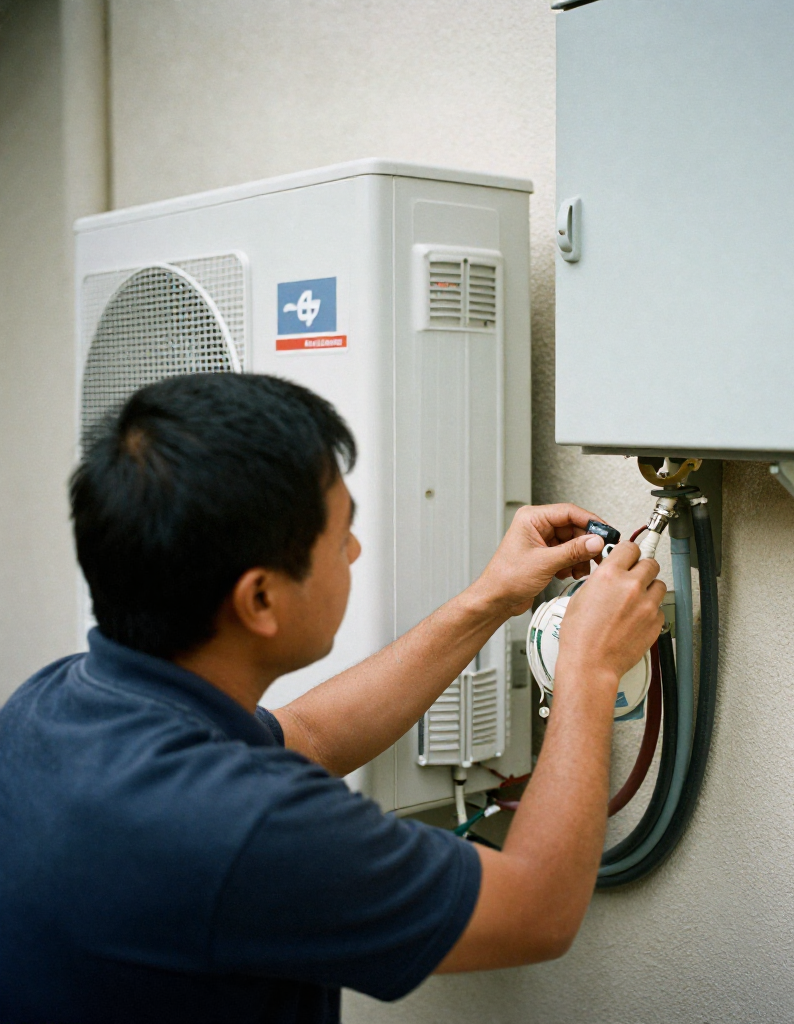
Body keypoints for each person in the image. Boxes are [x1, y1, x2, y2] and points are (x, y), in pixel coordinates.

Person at [0, 373, 665, 1024]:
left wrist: (488, 602)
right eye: (340, 534)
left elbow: (310, 737)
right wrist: (587, 670)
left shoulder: (54, 704)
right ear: (260, 598)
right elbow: (537, 913)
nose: (355, 549)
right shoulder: (239, 826)